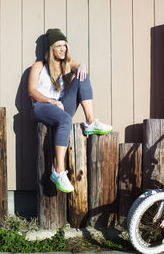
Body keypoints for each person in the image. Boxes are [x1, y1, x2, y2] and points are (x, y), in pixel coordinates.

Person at [28, 28, 112, 193]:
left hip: (60, 105)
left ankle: (90, 121)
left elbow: (78, 66)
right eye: (58, 46)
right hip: (41, 107)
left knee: (83, 76)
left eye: (64, 46)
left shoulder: (66, 64)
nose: (62, 49)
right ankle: (58, 171)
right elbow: (31, 91)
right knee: (66, 120)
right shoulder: (39, 66)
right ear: (51, 48)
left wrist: (82, 65)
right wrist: (50, 101)